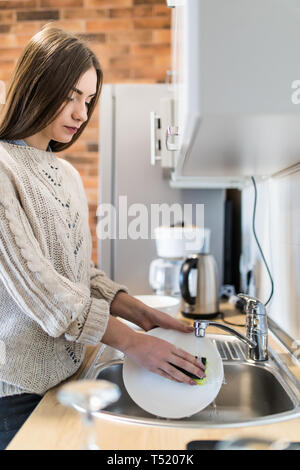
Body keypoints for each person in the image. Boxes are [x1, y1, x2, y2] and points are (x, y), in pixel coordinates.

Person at [0, 24, 205, 449]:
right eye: (70, 95)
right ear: (37, 84)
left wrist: (138, 311)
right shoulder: (4, 167)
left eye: (88, 100)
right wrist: (129, 341)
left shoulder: (68, 175)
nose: (80, 113)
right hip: (15, 391)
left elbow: (78, 273)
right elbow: (41, 290)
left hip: (69, 376)